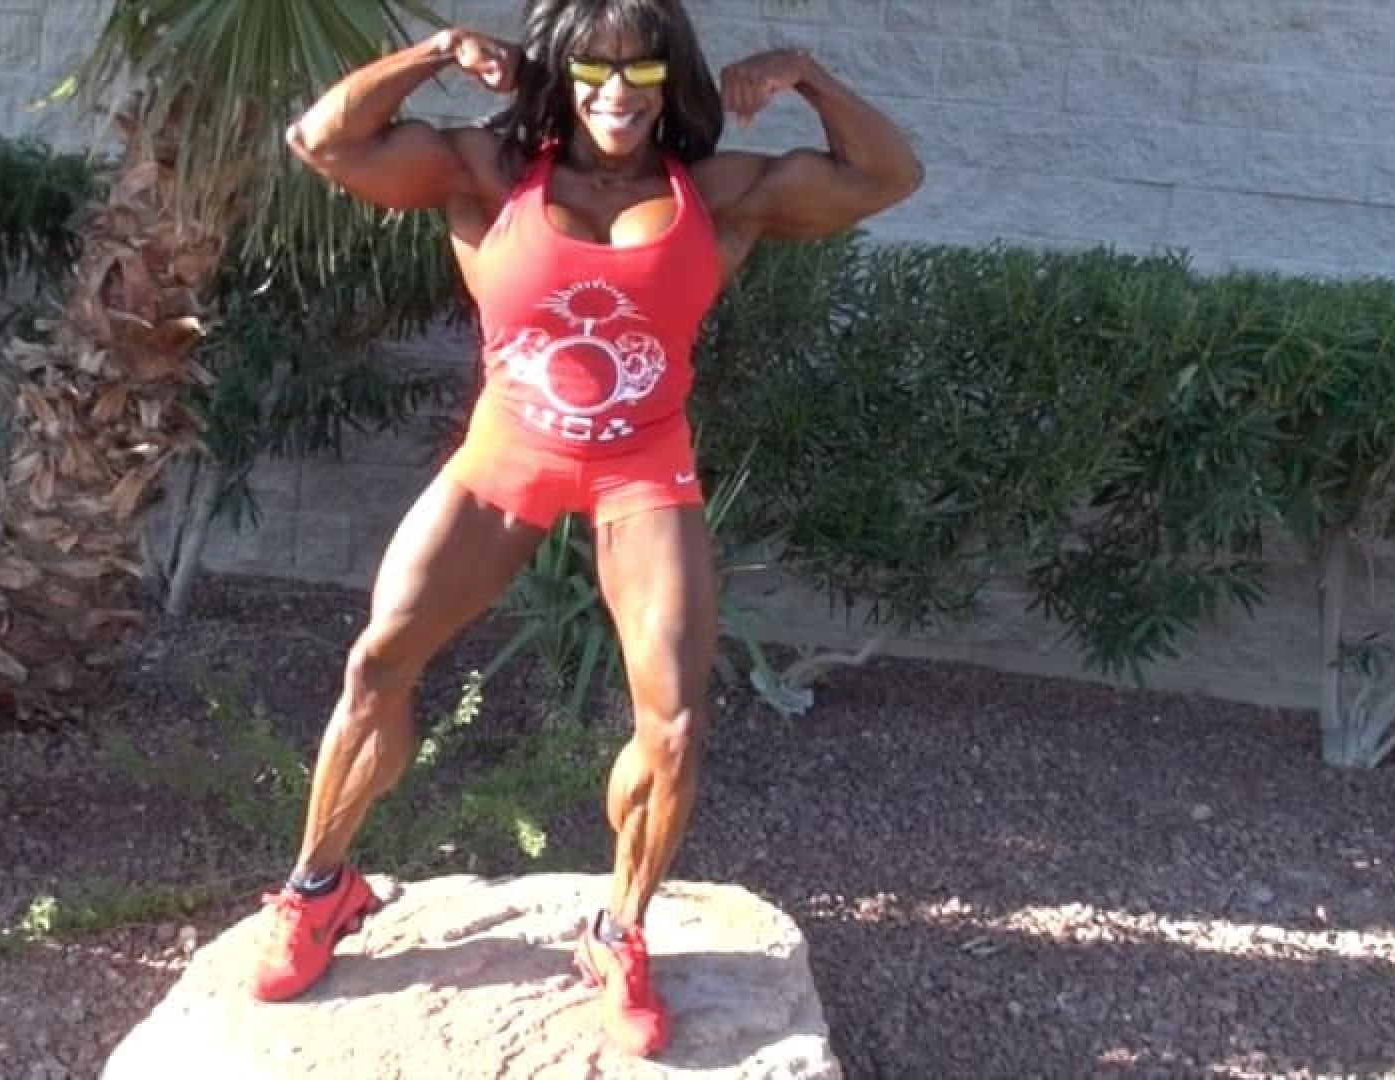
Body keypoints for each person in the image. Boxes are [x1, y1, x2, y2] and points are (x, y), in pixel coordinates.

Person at [257, 0, 921, 1058]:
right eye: (594, 70)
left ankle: (620, 931)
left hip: (642, 472)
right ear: (558, 75)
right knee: (379, 661)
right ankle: (318, 890)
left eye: (642, 70)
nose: (618, 92)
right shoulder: (490, 174)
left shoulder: (717, 191)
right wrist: (438, 50)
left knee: (675, 724)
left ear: (672, 79)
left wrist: (803, 72)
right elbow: (322, 140)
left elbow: (887, 176)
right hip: (504, 459)